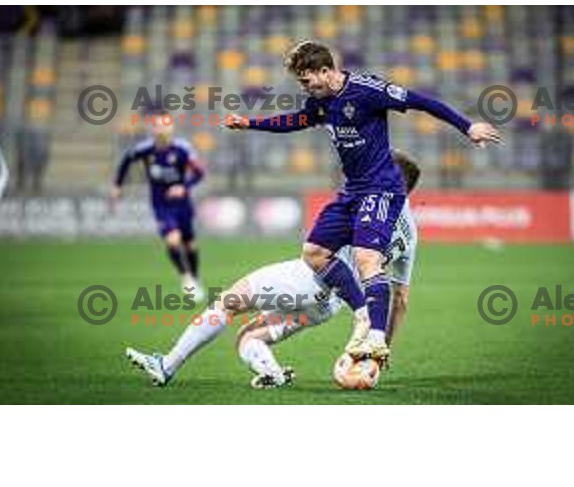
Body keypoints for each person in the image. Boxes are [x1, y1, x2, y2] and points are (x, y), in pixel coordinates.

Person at [226, 40, 502, 364]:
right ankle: (361, 311)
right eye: (300, 81)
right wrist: (250, 123)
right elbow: (295, 121)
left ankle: (374, 337)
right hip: (353, 189)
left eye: (306, 79)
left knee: (366, 257)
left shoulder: (367, 89)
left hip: (381, 187)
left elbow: (420, 101)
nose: (304, 86)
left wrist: (467, 127)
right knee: (313, 253)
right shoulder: (320, 102)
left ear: (325, 70)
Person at [125, 150, 420, 389]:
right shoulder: (410, 233)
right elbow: (401, 300)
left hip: (309, 280)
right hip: (328, 306)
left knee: (227, 302)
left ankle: (168, 364)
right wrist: (378, 354)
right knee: (248, 339)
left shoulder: (369, 202)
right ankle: (273, 374)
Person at [112, 117, 205, 297]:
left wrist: (183, 187)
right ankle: (186, 278)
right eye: (157, 126)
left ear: (172, 129)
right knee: (172, 240)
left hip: (182, 204)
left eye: (165, 126)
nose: (161, 130)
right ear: (152, 130)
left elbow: (200, 173)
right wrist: (117, 185)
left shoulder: (182, 149)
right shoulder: (145, 150)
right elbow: (126, 160)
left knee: (190, 245)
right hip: (161, 205)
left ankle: (195, 277)